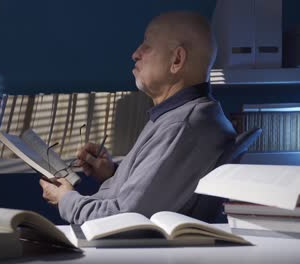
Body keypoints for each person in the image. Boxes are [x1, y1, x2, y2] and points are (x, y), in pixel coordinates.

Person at [39, 11, 236, 224]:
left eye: (147, 45)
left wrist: (66, 199)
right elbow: (152, 195)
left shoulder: (182, 126)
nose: (135, 54)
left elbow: (125, 219)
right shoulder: (179, 116)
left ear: (177, 60)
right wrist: (112, 174)